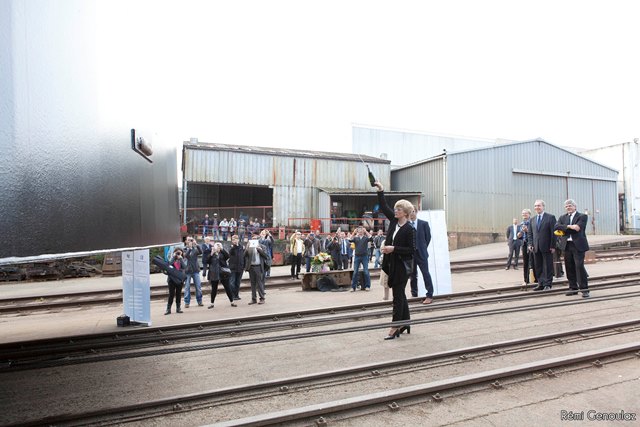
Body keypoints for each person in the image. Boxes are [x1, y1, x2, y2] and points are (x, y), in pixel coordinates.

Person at [374, 181, 416, 340]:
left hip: (402, 266)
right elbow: (384, 206)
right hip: (391, 264)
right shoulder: (393, 221)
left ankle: (394, 326)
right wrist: (381, 190)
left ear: (405, 213)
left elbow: (412, 250)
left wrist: (394, 249)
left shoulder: (410, 229)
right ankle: (405, 322)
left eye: (399, 209)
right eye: (396, 208)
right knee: (400, 294)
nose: (396, 210)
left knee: (397, 296)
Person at [555, 199, 590, 298]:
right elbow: (556, 227)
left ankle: (584, 289)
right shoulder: (562, 217)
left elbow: (578, 228)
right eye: (566, 206)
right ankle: (573, 288)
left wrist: (565, 228)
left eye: (570, 205)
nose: (568, 208)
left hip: (578, 245)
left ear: (575, 206)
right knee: (569, 267)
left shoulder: (582, 216)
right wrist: (570, 226)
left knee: (579, 266)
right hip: (566, 245)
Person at [527, 200, 557, 291]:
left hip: (547, 246)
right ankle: (541, 283)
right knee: (538, 265)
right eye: (535, 206)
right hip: (536, 247)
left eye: (539, 206)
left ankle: (548, 284)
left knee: (547, 265)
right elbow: (530, 234)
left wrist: (553, 246)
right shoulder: (532, 219)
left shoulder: (550, 217)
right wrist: (530, 244)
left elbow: (554, 233)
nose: (537, 207)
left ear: (543, 206)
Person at [409, 206, 434, 303]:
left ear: (416, 212)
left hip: (421, 253)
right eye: (410, 212)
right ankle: (414, 294)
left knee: (425, 273)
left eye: (413, 211)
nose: (411, 214)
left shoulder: (424, 224)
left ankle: (429, 295)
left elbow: (428, 238)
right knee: (412, 275)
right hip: (411, 254)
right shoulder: (407, 225)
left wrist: (422, 247)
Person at [206, 242, 236, 309]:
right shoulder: (211, 253)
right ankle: (212, 303)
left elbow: (228, 256)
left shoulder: (222, 253)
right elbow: (207, 261)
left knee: (227, 287)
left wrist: (222, 249)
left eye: (219, 246)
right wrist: (212, 253)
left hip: (223, 273)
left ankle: (232, 301)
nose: (217, 248)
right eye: (216, 246)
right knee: (214, 289)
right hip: (214, 273)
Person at [244, 235, 269, 304]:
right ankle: (253, 299)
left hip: (258, 267)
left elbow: (266, 256)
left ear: (258, 240)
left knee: (259, 283)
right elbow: (244, 256)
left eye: (255, 239)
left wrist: (259, 250)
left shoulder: (262, 246)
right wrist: (246, 248)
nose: (254, 240)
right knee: (253, 284)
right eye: (253, 239)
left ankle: (262, 298)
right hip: (251, 267)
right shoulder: (249, 247)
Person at [349, 226, 372, 291]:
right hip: (357, 256)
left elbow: (371, 238)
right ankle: (353, 287)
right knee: (355, 272)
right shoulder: (355, 238)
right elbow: (349, 240)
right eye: (359, 230)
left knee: (366, 271)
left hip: (364, 256)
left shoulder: (365, 238)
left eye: (361, 230)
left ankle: (368, 286)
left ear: (363, 231)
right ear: (357, 231)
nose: (360, 231)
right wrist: (354, 232)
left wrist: (366, 231)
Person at [183, 236, 203, 307]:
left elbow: (201, 252)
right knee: (187, 287)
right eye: (188, 240)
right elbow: (186, 256)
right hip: (187, 270)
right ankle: (187, 302)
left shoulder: (195, 249)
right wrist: (190, 248)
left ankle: (199, 301)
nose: (190, 241)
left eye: (191, 240)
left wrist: (196, 244)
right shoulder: (184, 249)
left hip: (195, 270)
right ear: (186, 241)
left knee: (198, 286)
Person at [165, 248, 186, 315]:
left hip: (179, 279)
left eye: (180, 253)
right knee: (171, 294)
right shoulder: (172, 259)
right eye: (177, 253)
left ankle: (178, 308)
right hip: (171, 279)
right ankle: (168, 309)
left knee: (178, 294)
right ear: (174, 253)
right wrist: (174, 257)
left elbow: (185, 267)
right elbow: (169, 265)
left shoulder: (182, 259)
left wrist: (181, 259)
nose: (178, 254)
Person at [520, 209, 536, 286]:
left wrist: (527, 231)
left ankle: (536, 279)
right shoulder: (522, 223)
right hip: (524, 243)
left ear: (529, 214)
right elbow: (521, 235)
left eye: (525, 213)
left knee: (534, 261)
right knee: (525, 262)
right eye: (523, 213)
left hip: (532, 243)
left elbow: (534, 233)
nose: (524, 215)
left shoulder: (532, 221)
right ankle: (526, 280)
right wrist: (519, 234)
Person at [228, 235, 245, 300]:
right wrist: (234, 246)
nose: (234, 240)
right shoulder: (231, 247)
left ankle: (236, 295)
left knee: (238, 282)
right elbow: (230, 253)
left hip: (240, 268)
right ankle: (232, 295)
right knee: (232, 282)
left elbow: (243, 257)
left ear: (238, 240)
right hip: (233, 268)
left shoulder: (241, 247)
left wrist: (244, 265)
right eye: (233, 239)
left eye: (235, 239)